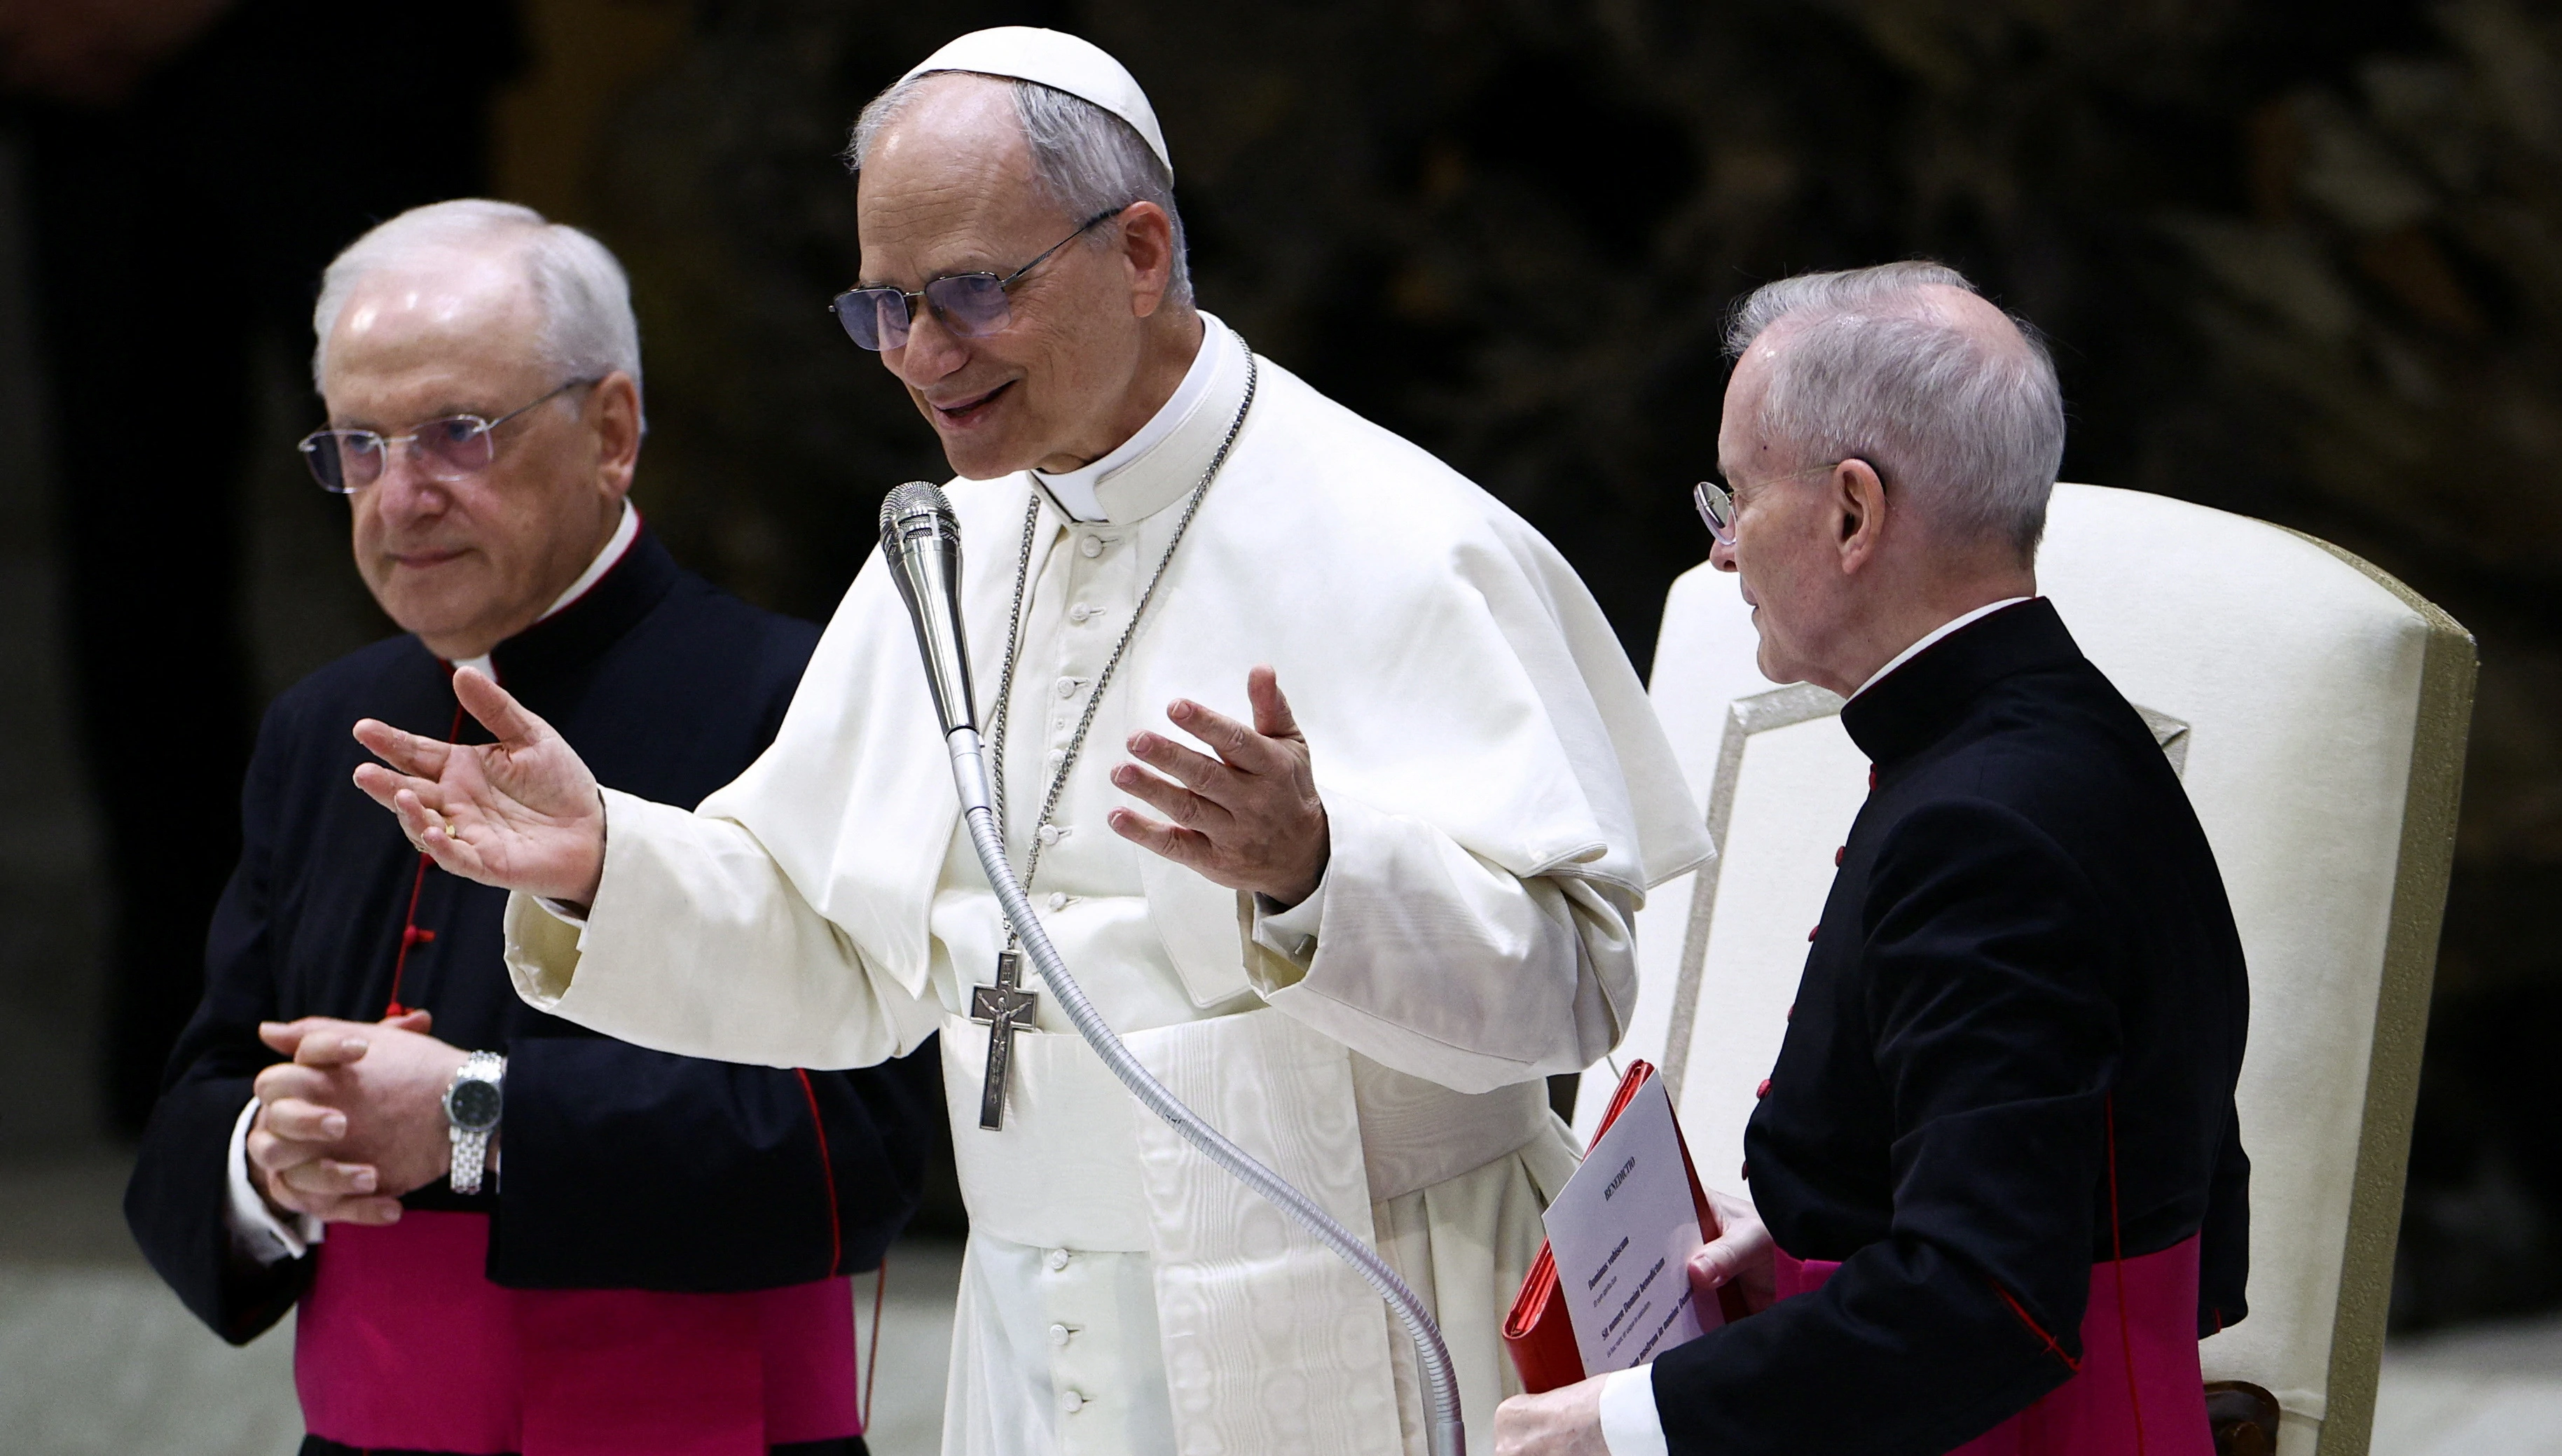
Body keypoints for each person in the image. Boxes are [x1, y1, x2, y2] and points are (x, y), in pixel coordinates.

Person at [348, 27, 1712, 1456]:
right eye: (883, 306)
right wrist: (607, 862)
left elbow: (1585, 978)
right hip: (1038, 1335)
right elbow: (845, 959)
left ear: (1137, 252)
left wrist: (1320, 872)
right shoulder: (950, 545)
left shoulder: (1406, 540)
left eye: (973, 293)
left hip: (1356, 1298)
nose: (922, 356)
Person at [124, 200, 941, 1456]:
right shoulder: (316, 729)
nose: (400, 498)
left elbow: (867, 1140)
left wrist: (473, 1121)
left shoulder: (802, 700)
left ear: (610, 432)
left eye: (457, 434)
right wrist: (270, 1154)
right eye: (358, 444)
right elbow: (196, 1097)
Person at [1496, 261, 2252, 1455]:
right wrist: (1822, 1242)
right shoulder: (2067, 731)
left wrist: (1639, 1419)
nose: (1721, 555)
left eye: (1735, 497)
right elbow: (2142, 1152)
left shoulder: (1984, 825)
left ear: (1853, 512)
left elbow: (1990, 1299)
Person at [1, 0, 523, 1132]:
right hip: (86, 98)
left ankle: (527, 996)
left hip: (343, 60)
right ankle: (192, 1048)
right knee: (130, 554)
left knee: (462, 505)